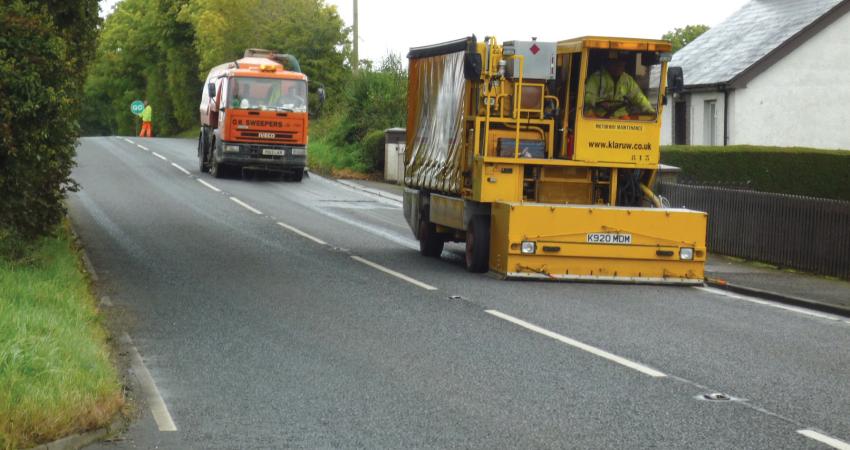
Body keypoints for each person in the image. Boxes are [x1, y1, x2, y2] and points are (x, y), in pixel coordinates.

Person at [584, 55, 655, 119]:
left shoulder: (627, 79)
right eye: (616, 64)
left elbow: (638, 97)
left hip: (621, 117)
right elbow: (589, 97)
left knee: (635, 128)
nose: (619, 67)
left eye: (621, 65)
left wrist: (650, 110)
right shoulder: (596, 78)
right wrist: (591, 109)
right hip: (600, 116)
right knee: (589, 117)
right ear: (608, 64)